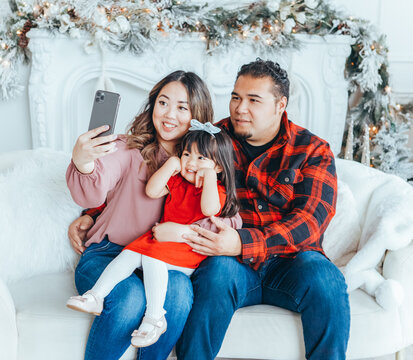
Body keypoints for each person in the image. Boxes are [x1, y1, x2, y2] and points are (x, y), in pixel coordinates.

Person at [166, 59, 351, 359]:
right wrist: (94, 215)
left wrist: (241, 243)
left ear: (280, 105)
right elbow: (161, 177)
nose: (240, 108)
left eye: (254, 100)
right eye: (236, 97)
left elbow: (311, 222)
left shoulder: (312, 150)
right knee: (216, 274)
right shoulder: (213, 139)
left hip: (291, 263)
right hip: (231, 264)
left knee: (327, 280)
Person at [66, 70, 240, 360]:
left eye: (182, 107)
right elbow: (96, 186)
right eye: (163, 102)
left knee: (180, 293)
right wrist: (84, 162)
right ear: (152, 105)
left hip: (165, 260)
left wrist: (184, 233)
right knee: (131, 298)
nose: (170, 114)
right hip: (109, 254)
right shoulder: (128, 148)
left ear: (198, 115)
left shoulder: (206, 165)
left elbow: (226, 216)